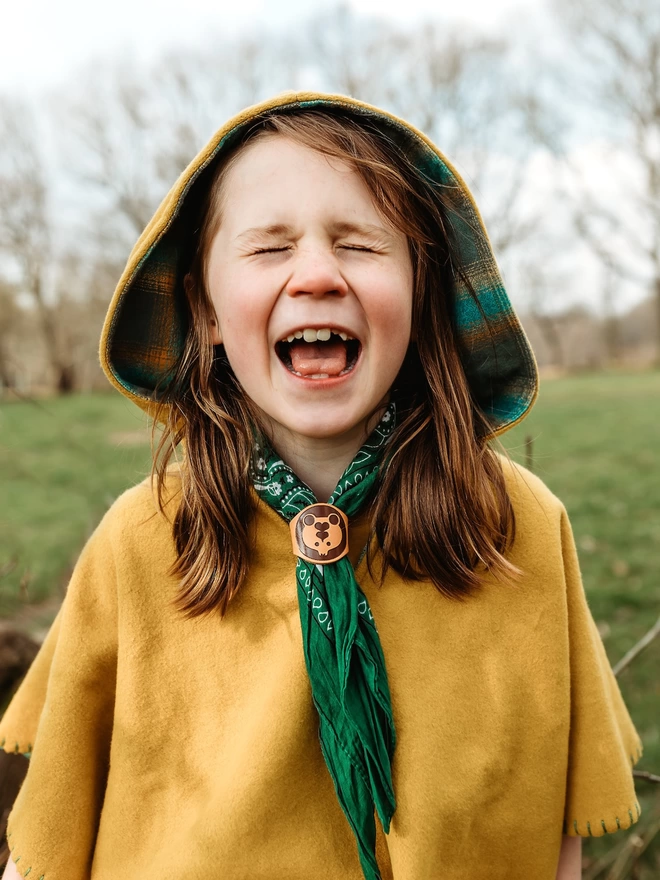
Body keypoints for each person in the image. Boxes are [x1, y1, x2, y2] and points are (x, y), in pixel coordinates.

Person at [0, 92, 642, 880]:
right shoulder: (141, 539)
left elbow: (553, 845)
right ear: (203, 309)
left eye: (361, 244)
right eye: (269, 248)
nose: (315, 274)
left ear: (420, 295)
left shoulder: (517, 530)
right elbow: (50, 838)